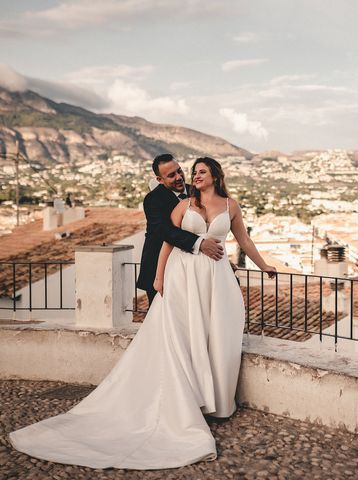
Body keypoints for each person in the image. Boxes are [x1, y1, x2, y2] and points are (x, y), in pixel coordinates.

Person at [9, 157, 277, 469]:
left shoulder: (231, 206)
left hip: (216, 282)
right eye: (183, 173)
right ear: (161, 179)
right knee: (179, 338)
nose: (187, 176)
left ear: (215, 174)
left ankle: (216, 401)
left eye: (191, 171)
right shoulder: (172, 203)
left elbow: (243, 240)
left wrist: (264, 266)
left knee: (215, 337)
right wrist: (160, 277)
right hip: (183, 278)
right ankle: (183, 401)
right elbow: (166, 239)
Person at [137, 153, 225, 304]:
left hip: (191, 268)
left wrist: (221, 257)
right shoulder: (153, 200)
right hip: (159, 268)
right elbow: (166, 231)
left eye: (179, 171)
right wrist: (201, 244)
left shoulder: (196, 191)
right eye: (171, 175)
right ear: (160, 180)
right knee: (162, 319)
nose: (179, 177)